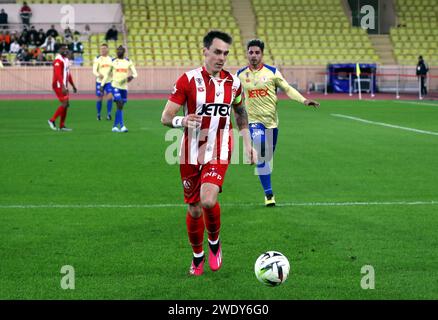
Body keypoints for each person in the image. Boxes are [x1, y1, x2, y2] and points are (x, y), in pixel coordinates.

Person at [160, 30, 258, 276]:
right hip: (190, 151)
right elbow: (166, 117)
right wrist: (182, 120)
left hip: (220, 147)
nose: (222, 57)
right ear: (204, 51)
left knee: (208, 200)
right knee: (193, 208)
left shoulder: (233, 83)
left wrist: (248, 143)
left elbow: (240, 113)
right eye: (217, 52)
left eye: (225, 53)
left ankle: (214, 242)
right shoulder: (188, 80)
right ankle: (197, 255)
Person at [237, 39, 320, 206]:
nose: (253, 55)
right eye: (251, 52)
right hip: (254, 121)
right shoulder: (240, 75)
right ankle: (269, 195)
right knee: (261, 150)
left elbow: (287, 88)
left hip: (272, 123)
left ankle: (266, 182)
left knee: (266, 158)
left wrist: (303, 100)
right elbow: (233, 96)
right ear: (247, 53)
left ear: (262, 54)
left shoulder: (272, 72)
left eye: (257, 52)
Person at [100, 45, 137, 132]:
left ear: (124, 52)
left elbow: (135, 73)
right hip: (115, 86)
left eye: (121, 50)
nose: (119, 52)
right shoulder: (113, 61)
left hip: (124, 88)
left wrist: (131, 77)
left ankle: (114, 126)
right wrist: (102, 85)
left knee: (120, 108)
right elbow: (107, 75)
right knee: (119, 104)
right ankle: (123, 126)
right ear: (116, 52)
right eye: (118, 50)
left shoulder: (128, 61)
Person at [47, 44, 77, 132]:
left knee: (66, 105)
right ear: (59, 50)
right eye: (63, 49)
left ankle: (62, 125)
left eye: (67, 49)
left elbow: (68, 74)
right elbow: (58, 74)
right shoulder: (58, 60)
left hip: (64, 85)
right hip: (59, 85)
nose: (65, 50)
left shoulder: (66, 60)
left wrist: (73, 85)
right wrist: (63, 85)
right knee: (65, 103)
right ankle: (52, 120)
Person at [93, 43, 113, 120]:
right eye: (102, 48)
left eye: (104, 48)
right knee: (99, 98)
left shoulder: (111, 58)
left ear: (107, 49)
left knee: (110, 97)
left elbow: (113, 69)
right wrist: (98, 74)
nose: (103, 50)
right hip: (100, 81)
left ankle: (109, 114)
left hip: (109, 81)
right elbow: (94, 70)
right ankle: (98, 114)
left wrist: (112, 73)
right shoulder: (97, 58)